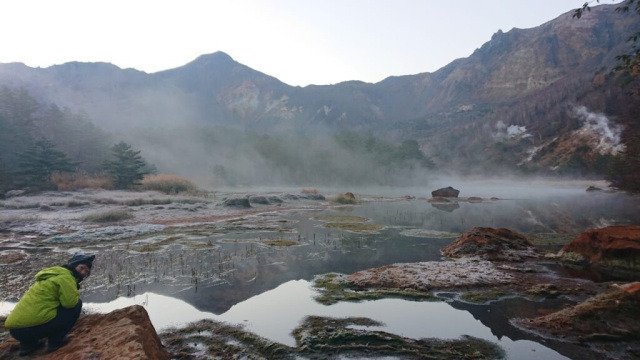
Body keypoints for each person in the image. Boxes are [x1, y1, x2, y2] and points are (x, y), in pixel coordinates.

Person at [4, 253, 95, 356]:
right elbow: (70, 304)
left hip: (15, 330)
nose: (83, 272)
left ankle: (28, 345)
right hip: (29, 330)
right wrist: (75, 291)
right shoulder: (66, 278)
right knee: (76, 305)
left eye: (86, 272)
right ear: (73, 265)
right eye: (81, 268)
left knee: (44, 308)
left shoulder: (52, 274)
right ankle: (56, 342)